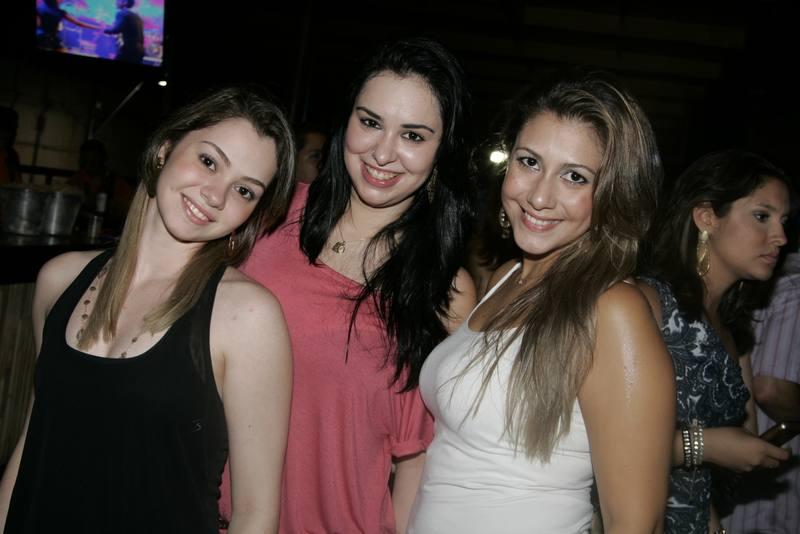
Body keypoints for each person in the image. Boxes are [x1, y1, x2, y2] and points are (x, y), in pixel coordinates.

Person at [0, 86, 296, 533]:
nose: (216, 195)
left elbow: (255, 514)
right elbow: (33, 439)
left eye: (244, 190)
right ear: (164, 149)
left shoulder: (247, 317)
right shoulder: (58, 280)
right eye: (209, 161)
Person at [220, 37, 477, 533]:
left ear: (442, 151)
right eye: (371, 122)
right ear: (346, 123)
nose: (382, 152)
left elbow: (421, 458)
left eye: (413, 135)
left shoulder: (445, 291)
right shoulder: (268, 214)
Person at [407, 71, 676, 533]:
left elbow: (636, 523)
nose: (539, 196)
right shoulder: (505, 277)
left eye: (574, 177)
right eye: (529, 162)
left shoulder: (613, 310)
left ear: (613, 195)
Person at [637, 149, 793, 534]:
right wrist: (705, 446)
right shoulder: (645, 304)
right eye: (762, 216)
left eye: (784, 221)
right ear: (706, 217)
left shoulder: (731, 330)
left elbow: (711, 466)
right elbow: (596, 445)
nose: (781, 237)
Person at [723, 215, 800, 534]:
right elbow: (770, 389)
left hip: (738, 482)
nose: (780, 236)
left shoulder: (751, 286)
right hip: (761, 498)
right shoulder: (795, 287)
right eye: (761, 216)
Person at [69, 138, 135, 233]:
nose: (88, 166)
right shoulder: (77, 180)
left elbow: (129, 211)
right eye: (84, 161)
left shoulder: (117, 184)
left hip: (108, 233)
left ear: (103, 159)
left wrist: (108, 205)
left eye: (93, 161)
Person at [36, 0, 102, 51]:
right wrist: (98, 27)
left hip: (42, 37)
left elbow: (38, 24)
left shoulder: (40, 8)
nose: (62, 0)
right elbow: (79, 23)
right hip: (50, 38)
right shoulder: (59, 12)